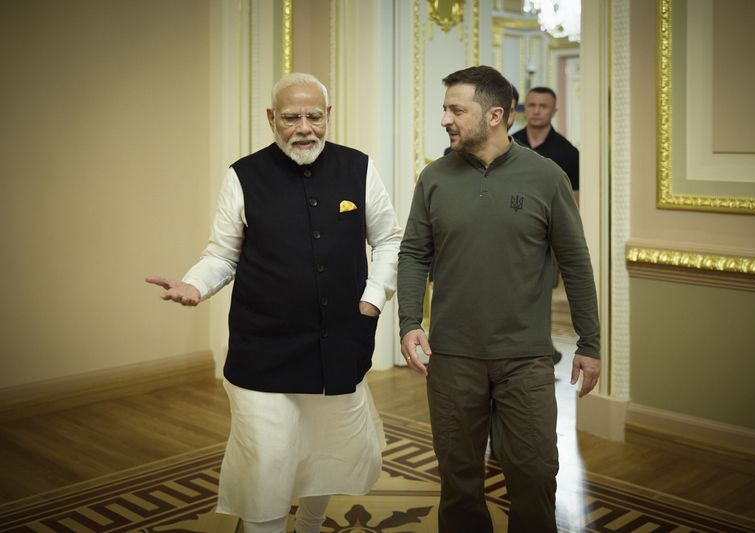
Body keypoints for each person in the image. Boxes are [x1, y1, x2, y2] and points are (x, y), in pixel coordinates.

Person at [146, 73, 402, 533]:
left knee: (327, 450)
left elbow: (388, 240)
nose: (304, 127)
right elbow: (221, 254)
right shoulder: (243, 176)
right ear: (271, 118)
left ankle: (309, 524)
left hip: (339, 343)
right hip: (263, 348)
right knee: (267, 459)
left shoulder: (359, 168)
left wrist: (372, 298)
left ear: (328, 116)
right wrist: (195, 285)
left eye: (314, 116)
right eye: (291, 117)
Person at [397, 66, 600, 532]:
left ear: (494, 115)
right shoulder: (434, 178)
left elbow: (576, 261)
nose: (445, 119)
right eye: (445, 108)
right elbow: (413, 253)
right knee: (459, 482)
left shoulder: (546, 177)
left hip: (525, 359)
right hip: (451, 359)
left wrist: (590, 343)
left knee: (534, 475)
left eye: (455, 110)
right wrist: (410, 321)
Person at [512, 86, 580, 204]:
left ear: (554, 112)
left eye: (543, 106)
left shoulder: (569, 153)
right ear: (525, 109)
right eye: (532, 105)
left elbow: (574, 201)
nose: (536, 111)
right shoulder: (510, 143)